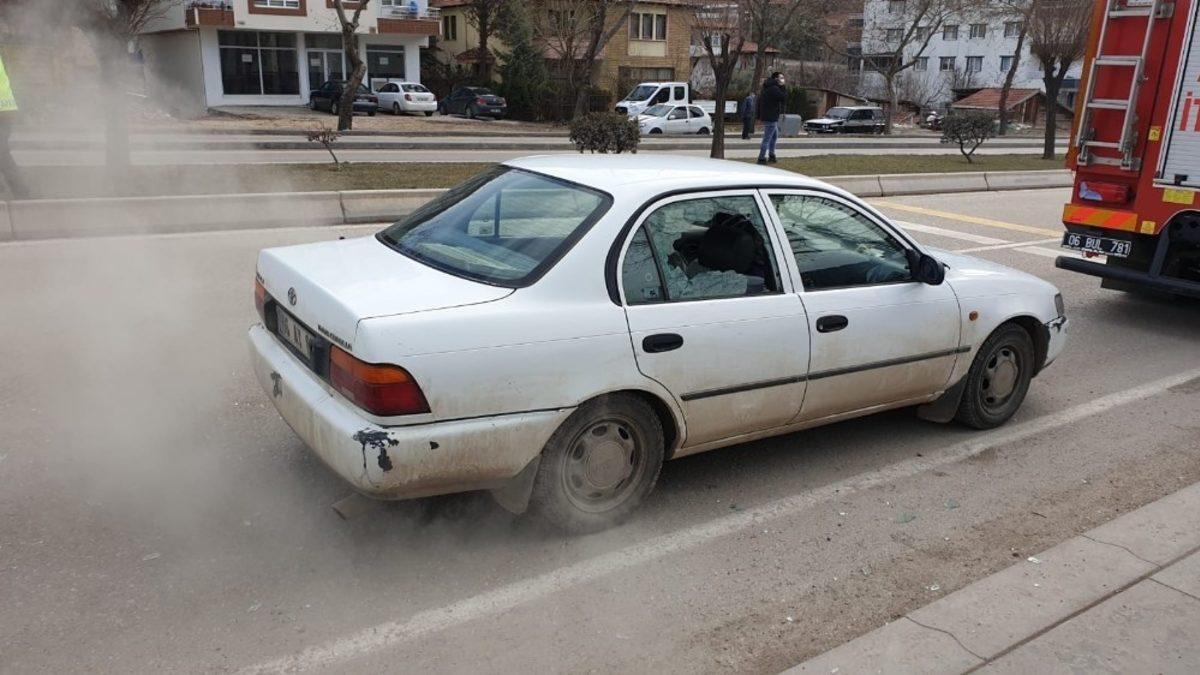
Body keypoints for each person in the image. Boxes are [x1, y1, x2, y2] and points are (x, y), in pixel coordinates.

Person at [0, 51, 24, 198]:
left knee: (2, 153)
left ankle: (23, 193)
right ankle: (22, 193)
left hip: (2, 111)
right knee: (2, 153)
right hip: (6, 109)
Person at [757, 72, 787, 165]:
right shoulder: (774, 88)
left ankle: (771, 155)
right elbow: (783, 97)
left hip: (770, 116)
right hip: (771, 117)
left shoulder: (768, 86)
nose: (783, 79)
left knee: (774, 136)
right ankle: (761, 158)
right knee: (767, 138)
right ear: (776, 79)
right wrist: (783, 86)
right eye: (781, 78)